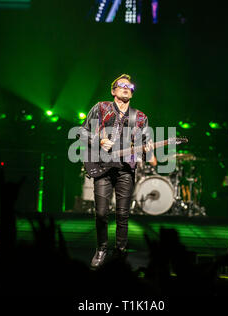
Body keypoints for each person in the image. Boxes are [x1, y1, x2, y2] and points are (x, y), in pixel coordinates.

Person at [78, 74, 156, 268]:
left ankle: (120, 252)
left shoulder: (140, 117)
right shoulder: (100, 108)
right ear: (113, 91)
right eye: (121, 85)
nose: (126, 87)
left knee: (123, 214)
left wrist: (148, 151)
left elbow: (146, 147)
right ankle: (101, 249)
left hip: (125, 170)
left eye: (130, 86)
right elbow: (82, 132)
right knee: (102, 213)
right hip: (102, 168)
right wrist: (100, 141)